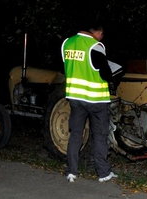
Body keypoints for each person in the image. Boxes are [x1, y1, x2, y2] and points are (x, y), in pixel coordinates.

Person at [61, 22, 118, 183]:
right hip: (96, 100)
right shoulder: (95, 46)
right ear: (97, 32)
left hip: (75, 97)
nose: (101, 37)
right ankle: (103, 173)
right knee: (99, 135)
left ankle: (71, 172)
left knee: (76, 135)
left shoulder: (67, 43)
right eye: (102, 34)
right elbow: (106, 73)